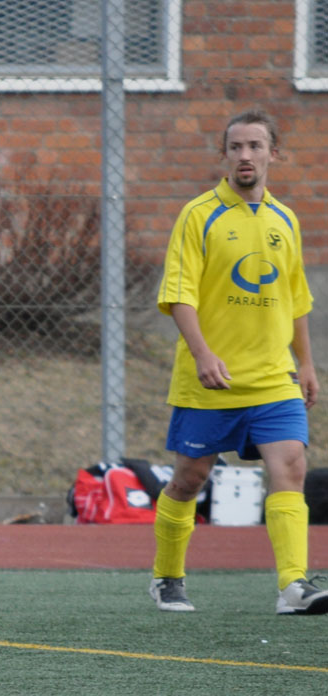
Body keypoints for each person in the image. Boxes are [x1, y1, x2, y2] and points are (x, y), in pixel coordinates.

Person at [152, 109, 328, 615]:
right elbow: (179, 295)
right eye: (236, 147)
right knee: (189, 479)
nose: (245, 155)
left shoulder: (285, 219)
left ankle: (293, 586)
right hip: (213, 380)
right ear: (224, 155)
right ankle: (167, 577)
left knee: (290, 466)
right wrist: (203, 354)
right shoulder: (198, 215)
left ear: (274, 153)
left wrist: (307, 364)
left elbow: (296, 300)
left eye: (255, 146)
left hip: (274, 378)